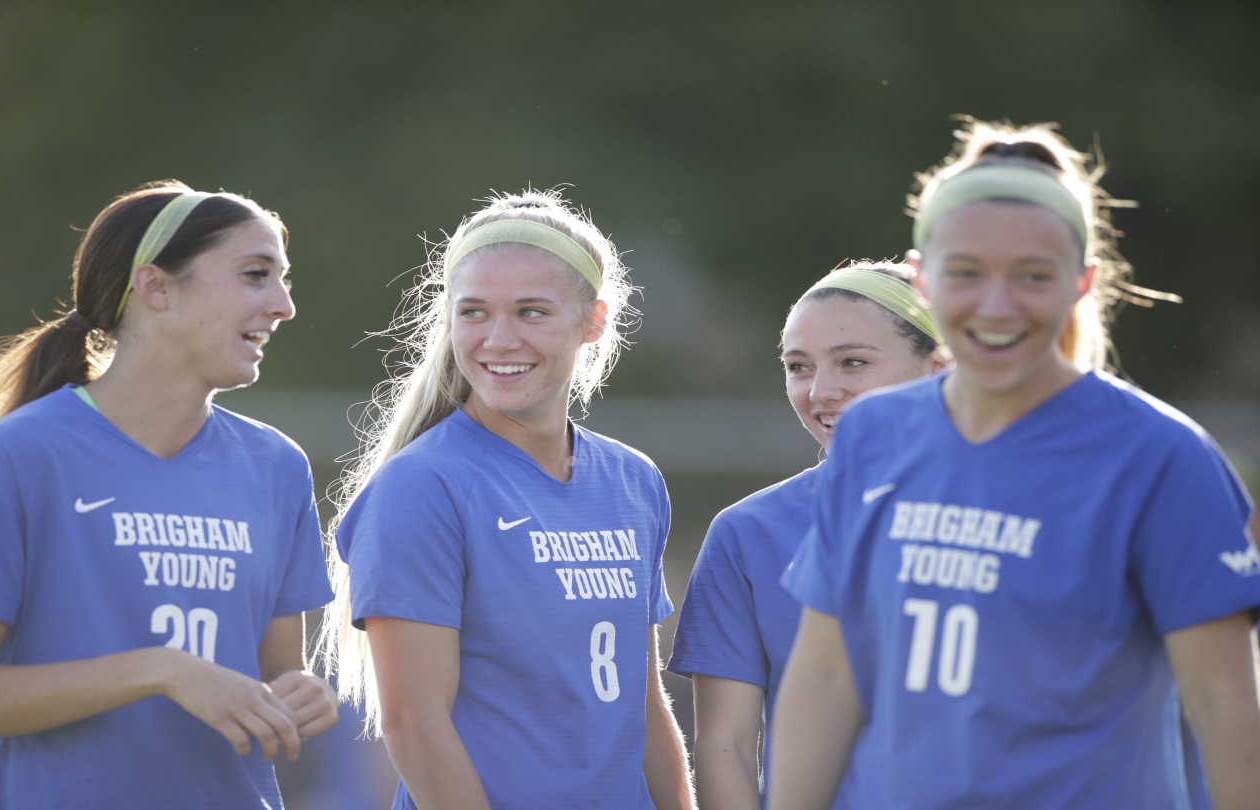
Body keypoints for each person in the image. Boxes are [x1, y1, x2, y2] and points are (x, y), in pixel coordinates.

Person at [768, 120, 1260, 809]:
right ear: (925, 281)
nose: (997, 306)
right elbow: (826, 675)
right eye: (966, 273)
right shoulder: (877, 435)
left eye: (1032, 276)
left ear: (1082, 283)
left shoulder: (1158, 456)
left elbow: (1226, 705)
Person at [0, 182, 340, 809]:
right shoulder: (19, 456)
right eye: (255, 275)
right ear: (156, 287)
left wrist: (302, 696)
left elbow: (278, 673)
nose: (284, 305)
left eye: (284, 279)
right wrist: (160, 670)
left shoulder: (276, 466)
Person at [316, 189, 695, 810]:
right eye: (473, 313)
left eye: (531, 312)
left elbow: (643, 701)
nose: (498, 339)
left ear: (592, 323)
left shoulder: (632, 479)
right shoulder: (423, 486)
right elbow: (414, 724)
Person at [669, 261, 946, 809]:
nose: (821, 391)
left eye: (853, 362)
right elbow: (725, 746)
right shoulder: (748, 534)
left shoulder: (1021, 512)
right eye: (799, 367)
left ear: (939, 368)